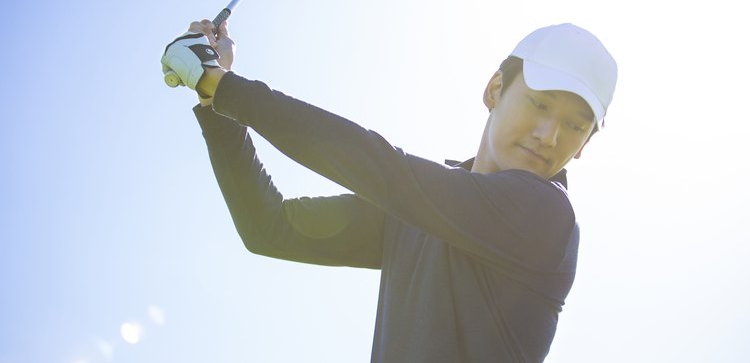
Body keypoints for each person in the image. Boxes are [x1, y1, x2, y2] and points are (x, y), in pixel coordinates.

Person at [161, 19, 617, 362]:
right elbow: (270, 228)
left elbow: (383, 171)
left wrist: (221, 84)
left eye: (575, 125)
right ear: (495, 89)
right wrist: (214, 104)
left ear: (583, 146)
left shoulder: (546, 217)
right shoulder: (420, 211)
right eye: (539, 102)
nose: (549, 134)